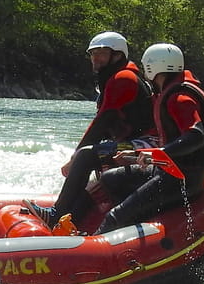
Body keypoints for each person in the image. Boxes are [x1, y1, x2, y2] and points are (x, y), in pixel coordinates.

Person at [25, 30, 156, 228]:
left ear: (118, 55)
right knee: (93, 167)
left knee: (87, 155)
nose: (95, 59)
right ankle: (69, 222)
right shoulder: (113, 79)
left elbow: (102, 122)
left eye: (101, 54)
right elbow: (106, 125)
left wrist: (76, 157)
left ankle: (57, 213)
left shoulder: (124, 79)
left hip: (148, 144)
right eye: (93, 54)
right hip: (131, 142)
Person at [93, 42, 204, 234]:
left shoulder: (180, 98)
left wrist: (156, 154)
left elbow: (196, 136)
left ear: (153, 66)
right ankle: (137, 221)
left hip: (183, 179)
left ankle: (118, 228)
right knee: (111, 179)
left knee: (115, 216)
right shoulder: (173, 92)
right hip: (169, 171)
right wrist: (138, 153)